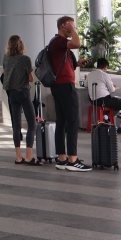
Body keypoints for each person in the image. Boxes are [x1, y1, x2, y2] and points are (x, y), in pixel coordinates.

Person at [47, 16, 90, 172]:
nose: (74, 28)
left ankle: (62, 158)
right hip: (65, 86)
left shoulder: (58, 44)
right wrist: (72, 31)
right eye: (71, 25)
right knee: (73, 121)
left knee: (62, 121)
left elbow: (63, 66)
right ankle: (72, 159)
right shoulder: (59, 41)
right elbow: (77, 43)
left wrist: (77, 64)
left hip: (59, 85)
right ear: (63, 26)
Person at [1, 35, 38, 165]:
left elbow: (5, 74)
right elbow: (31, 78)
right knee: (32, 124)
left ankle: (18, 157)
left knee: (16, 126)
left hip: (11, 94)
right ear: (21, 44)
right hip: (23, 93)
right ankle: (29, 156)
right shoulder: (25, 59)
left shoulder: (6, 58)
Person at [86, 58, 121, 128]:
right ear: (105, 67)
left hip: (93, 101)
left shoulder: (90, 74)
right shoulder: (104, 75)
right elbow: (112, 89)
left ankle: (106, 117)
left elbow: (86, 85)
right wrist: (115, 87)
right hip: (104, 100)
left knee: (117, 104)